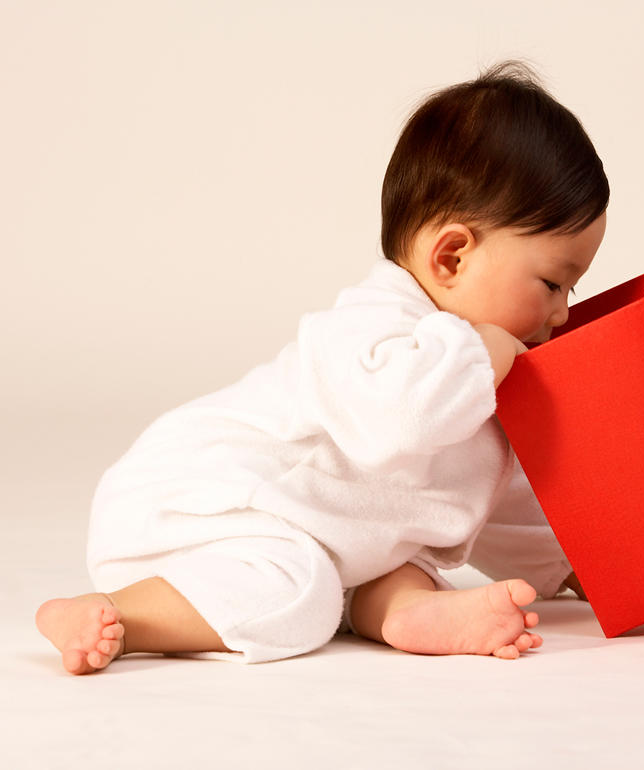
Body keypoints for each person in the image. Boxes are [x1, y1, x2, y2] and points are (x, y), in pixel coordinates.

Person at [35, 61, 608, 674]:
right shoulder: (375, 327)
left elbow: (492, 499)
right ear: (452, 256)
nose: (563, 313)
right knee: (299, 593)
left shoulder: (473, 379)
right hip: (202, 500)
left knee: (405, 562)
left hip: (310, 539)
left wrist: (576, 562)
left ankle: (406, 613)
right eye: (552, 283)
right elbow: (404, 421)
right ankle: (116, 615)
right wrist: (485, 349)